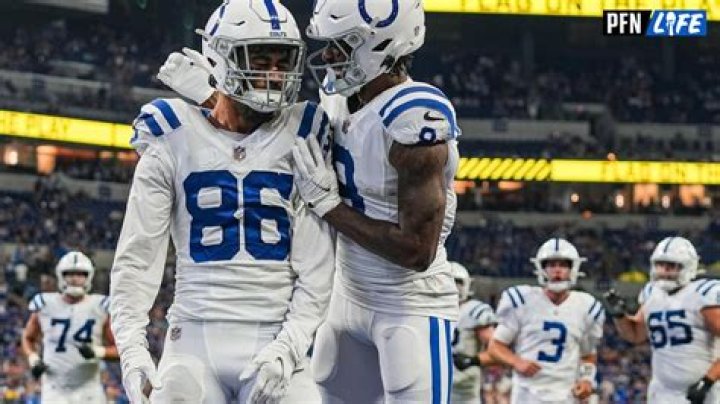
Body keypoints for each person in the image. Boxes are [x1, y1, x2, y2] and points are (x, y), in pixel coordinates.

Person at [109, 1, 335, 403]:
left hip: (276, 337)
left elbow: (317, 269)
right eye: (260, 61)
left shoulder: (305, 132)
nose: (275, 74)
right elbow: (137, 258)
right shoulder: (171, 134)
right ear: (220, 59)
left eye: (283, 62)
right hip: (193, 340)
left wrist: (287, 349)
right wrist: (131, 350)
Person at [285, 0, 461, 402]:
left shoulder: (415, 116)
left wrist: (330, 207)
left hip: (408, 304)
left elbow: (416, 251)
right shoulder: (338, 95)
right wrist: (211, 98)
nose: (328, 56)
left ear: (383, 45)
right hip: (345, 293)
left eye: (342, 45)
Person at [605, 236, 720, 404]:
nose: (664, 271)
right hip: (663, 391)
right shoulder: (652, 293)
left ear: (688, 267)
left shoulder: (702, 295)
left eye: (671, 266)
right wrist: (619, 315)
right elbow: (635, 335)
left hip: (702, 390)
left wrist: (708, 380)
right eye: (660, 265)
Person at [488, 238, 602, 403]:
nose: (557, 270)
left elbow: (588, 355)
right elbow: (495, 346)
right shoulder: (522, 301)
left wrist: (586, 380)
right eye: (551, 265)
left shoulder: (586, 307)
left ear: (573, 269)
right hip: (527, 394)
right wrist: (516, 362)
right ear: (541, 268)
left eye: (563, 265)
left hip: (566, 395)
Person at [21, 251, 119, 403]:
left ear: (89, 277)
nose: (74, 279)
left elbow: (120, 349)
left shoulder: (101, 306)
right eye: (69, 274)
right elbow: (28, 337)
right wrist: (33, 358)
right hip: (54, 388)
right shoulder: (45, 304)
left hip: (89, 389)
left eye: (81, 274)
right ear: (61, 276)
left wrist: (98, 351)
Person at [449, 262, 498, 403]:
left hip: (463, 389)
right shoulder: (429, 310)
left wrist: (471, 361)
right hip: (433, 380)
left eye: (457, 282)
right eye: (448, 281)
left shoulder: (474, 311)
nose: (453, 287)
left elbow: (497, 350)